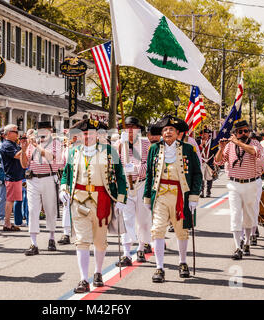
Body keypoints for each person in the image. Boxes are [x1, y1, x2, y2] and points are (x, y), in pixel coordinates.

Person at [60, 119, 127, 293]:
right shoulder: (73, 151)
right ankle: (83, 279)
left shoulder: (110, 152)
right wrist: (63, 188)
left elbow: (120, 176)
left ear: (98, 135)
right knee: (81, 240)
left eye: (91, 133)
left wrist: (120, 198)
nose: (87, 136)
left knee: (100, 241)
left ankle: (98, 272)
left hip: (102, 199)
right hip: (79, 200)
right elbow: (66, 174)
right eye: (84, 133)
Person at [143, 115, 202, 283]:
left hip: (180, 195)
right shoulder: (154, 149)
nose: (168, 132)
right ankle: (159, 267)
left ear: (178, 133)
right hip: (160, 194)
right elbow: (149, 174)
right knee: (157, 230)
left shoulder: (189, 149)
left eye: (171, 130)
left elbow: (197, 174)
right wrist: (147, 197)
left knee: (181, 231)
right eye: (165, 129)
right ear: (161, 133)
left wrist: (193, 196)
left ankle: (183, 262)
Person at [215, 120, 263, 259]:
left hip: (251, 183)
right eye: (240, 131)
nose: (243, 133)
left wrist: (238, 142)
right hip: (234, 184)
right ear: (235, 133)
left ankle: (247, 241)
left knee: (249, 215)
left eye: (246, 131)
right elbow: (218, 161)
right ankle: (237, 247)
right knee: (235, 215)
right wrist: (221, 148)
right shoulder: (230, 145)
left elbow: (255, 153)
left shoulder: (254, 143)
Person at [114, 116, 152, 266]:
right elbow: (114, 165)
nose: (130, 130)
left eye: (133, 127)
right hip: (125, 186)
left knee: (142, 220)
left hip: (140, 184)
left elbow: (149, 166)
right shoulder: (118, 144)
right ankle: (126, 253)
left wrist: (135, 169)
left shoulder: (145, 144)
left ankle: (141, 248)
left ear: (138, 129)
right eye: (127, 128)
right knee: (126, 219)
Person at [23, 121, 63, 255]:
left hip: (48, 178)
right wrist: (23, 149)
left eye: (45, 130)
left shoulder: (56, 144)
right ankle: (33, 243)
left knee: (50, 209)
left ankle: (51, 237)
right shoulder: (32, 144)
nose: (42, 133)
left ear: (50, 131)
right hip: (33, 179)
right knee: (33, 209)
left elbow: (51, 157)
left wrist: (36, 146)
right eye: (40, 130)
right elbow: (25, 164)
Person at [0, 124, 29, 231]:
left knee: (13, 199)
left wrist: (24, 147)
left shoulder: (13, 144)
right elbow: (17, 155)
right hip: (11, 175)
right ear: (8, 134)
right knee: (10, 200)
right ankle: (6, 223)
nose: (17, 133)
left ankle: (8, 222)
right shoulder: (7, 145)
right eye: (15, 132)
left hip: (16, 176)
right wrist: (25, 147)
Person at [197, 128, 215, 198]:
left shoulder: (213, 141)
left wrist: (215, 161)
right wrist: (201, 145)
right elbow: (196, 150)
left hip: (209, 161)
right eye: (203, 134)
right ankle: (201, 191)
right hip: (201, 161)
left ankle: (208, 191)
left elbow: (215, 151)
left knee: (209, 177)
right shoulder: (198, 141)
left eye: (206, 134)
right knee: (201, 177)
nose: (205, 135)